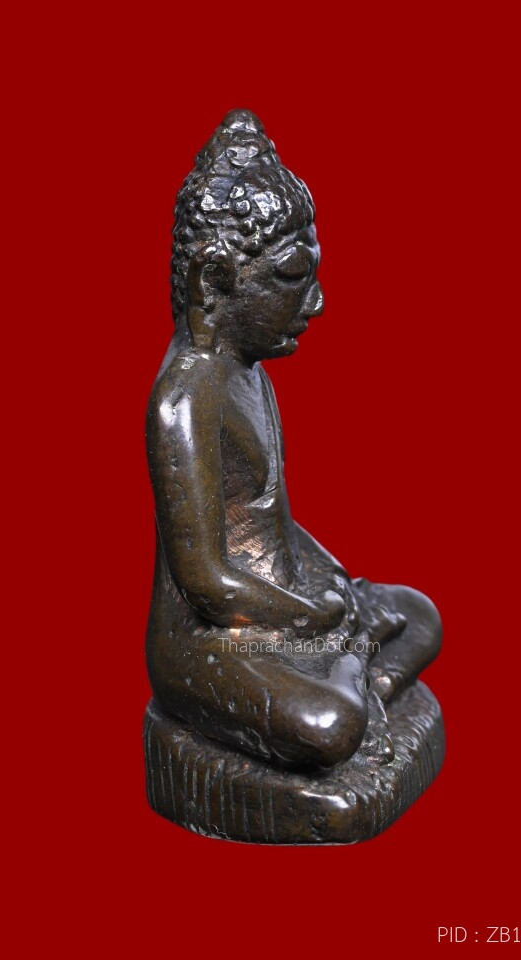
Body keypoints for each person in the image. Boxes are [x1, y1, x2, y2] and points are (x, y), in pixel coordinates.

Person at [146, 110, 441, 769]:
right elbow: (206, 582)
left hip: (285, 601)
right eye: (290, 277)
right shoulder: (184, 399)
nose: (316, 302)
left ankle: (354, 677)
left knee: (419, 613)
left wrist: (329, 578)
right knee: (328, 724)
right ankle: (355, 684)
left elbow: (268, 520)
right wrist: (311, 617)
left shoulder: (251, 375)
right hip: (217, 636)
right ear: (213, 281)